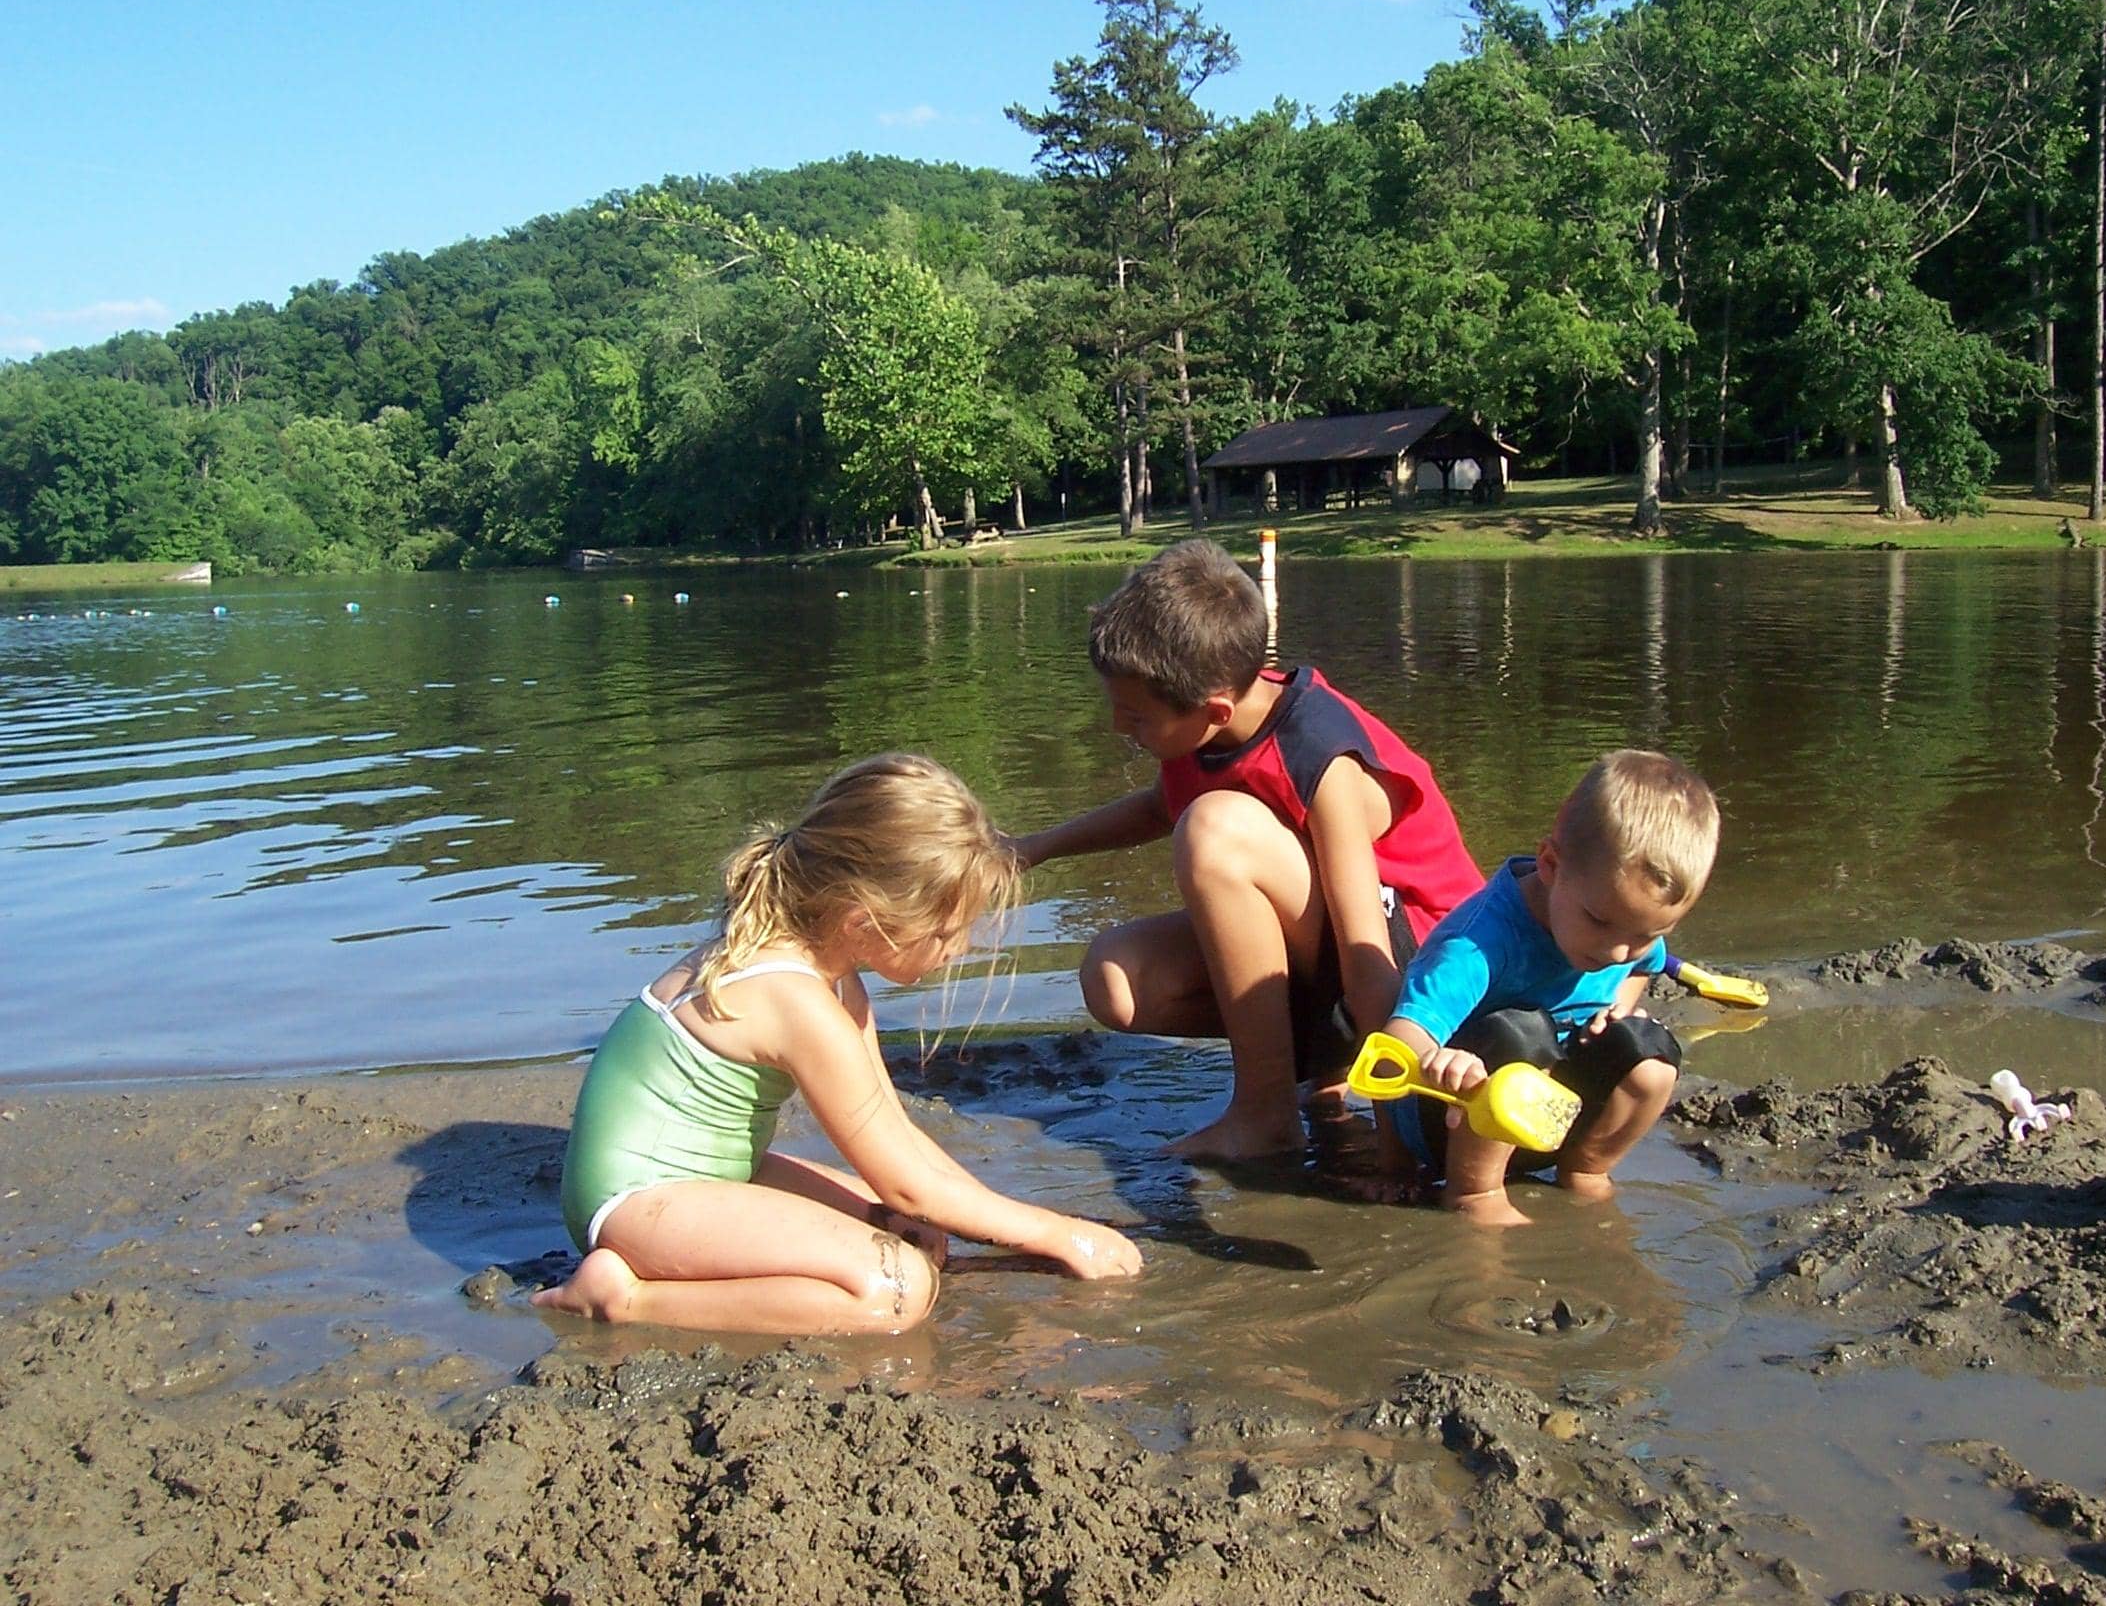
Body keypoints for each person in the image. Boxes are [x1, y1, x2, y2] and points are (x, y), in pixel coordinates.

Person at [536, 754, 1142, 1336]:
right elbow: (908, 1183)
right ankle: (625, 1298)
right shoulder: (797, 1002)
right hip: (637, 1202)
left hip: (717, 1175)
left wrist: (1006, 1223)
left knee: (916, 1235)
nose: (959, 948)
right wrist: (1062, 1234)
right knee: (896, 1287)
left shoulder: (833, 976)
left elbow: (895, 1134)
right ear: (864, 921)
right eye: (945, 930)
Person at [1011, 538, 1484, 1162]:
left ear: (1214, 709)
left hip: (1427, 970)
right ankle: (1321, 1068)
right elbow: (1160, 807)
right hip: (1335, 964)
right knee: (1116, 981)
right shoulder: (1209, 726)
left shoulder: (1320, 755)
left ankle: (1264, 1116)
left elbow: (1367, 954)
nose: (1117, 728)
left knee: (1215, 830)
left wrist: (1397, 1146)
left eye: (1135, 717)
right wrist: (1032, 848)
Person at [1374, 749, 1719, 1223]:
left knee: (1651, 1052)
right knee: (1522, 1033)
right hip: (1455, 1119)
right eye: (1599, 923)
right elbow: (1393, 1045)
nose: (1617, 953)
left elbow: (1644, 966)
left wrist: (1615, 1010)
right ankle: (1474, 1193)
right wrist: (1438, 1062)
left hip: (1546, 1117)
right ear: (1551, 864)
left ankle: (1584, 1169)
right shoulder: (1478, 944)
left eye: (1644, 936)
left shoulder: (1624, 926)